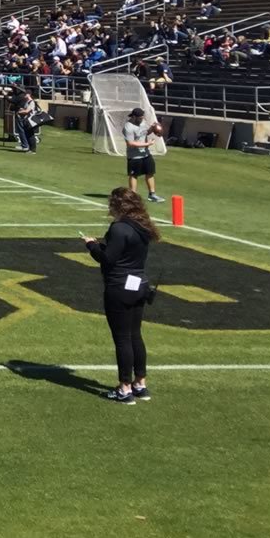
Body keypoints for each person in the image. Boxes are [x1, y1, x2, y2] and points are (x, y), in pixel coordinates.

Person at [84, 188, 159, 403]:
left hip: (120, 286)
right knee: (135, 334)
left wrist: (92, 246)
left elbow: (107, 259)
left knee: (123, 338)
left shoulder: (119, 228)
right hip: (139, 284)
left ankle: (124, 387)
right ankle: (140, 383)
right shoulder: (143, 227)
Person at [122, 107, 163, 202]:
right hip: (134, 156)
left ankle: (152, 194)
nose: (142, 119)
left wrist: (152, 129)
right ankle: (133, 196)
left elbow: (144, 133)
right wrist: (147, 144)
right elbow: (130, 143)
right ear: (134, 117)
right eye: (140, 117)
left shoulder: (142, 123)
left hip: (146, 154)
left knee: (150, 172)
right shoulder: (128, 127)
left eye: (142, 117)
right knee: (134, 175)